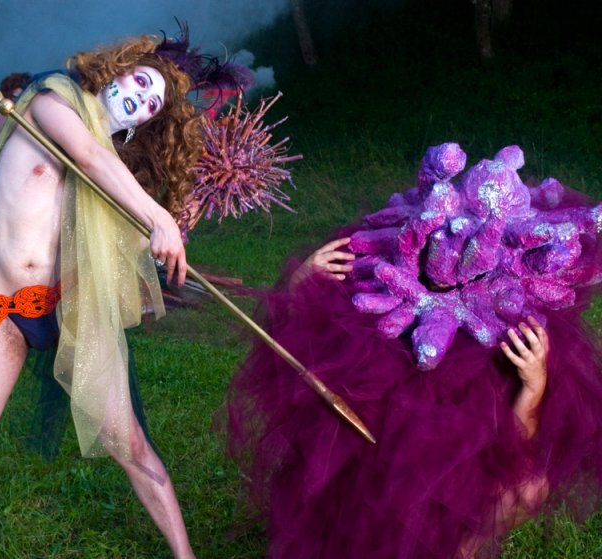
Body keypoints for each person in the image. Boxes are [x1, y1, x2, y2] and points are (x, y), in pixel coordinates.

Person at [0, 28, 250, 559]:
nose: (142, 98)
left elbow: (112, 186)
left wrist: (170, 219)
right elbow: (89, 156)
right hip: (1, 310)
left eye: (153, 103)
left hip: (68, 308)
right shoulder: (52, 98)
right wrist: (157, 216)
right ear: (117, 70)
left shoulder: (116, 162)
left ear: (143, 123)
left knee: (131, 444)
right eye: (141, 81)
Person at [226, 143, 602, 558]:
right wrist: (302, 284)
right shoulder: (378, 298)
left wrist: (534, 385)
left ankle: (460, 551)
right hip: (373, 483)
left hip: (453, 488)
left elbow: (511, 450)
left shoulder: (502, 332)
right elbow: (293, 358)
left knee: (528, 487)